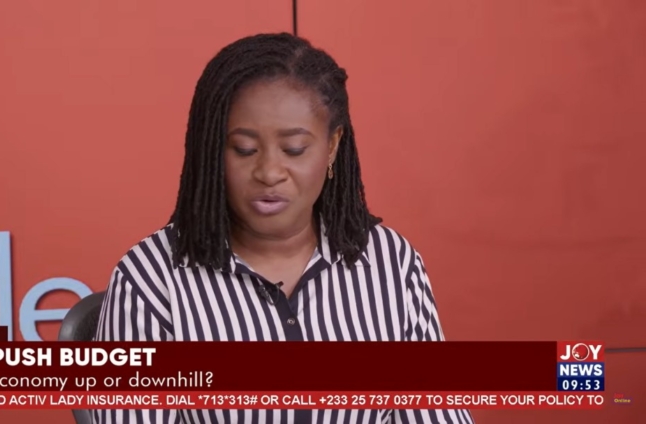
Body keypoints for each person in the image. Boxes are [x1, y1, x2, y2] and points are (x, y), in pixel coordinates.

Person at [94, 33, 474, 424]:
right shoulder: (150, 279)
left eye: (293, 149)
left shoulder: (391, 262)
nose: (269, 172)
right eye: (244, 149)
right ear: (211, 151)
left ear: (332, 146)